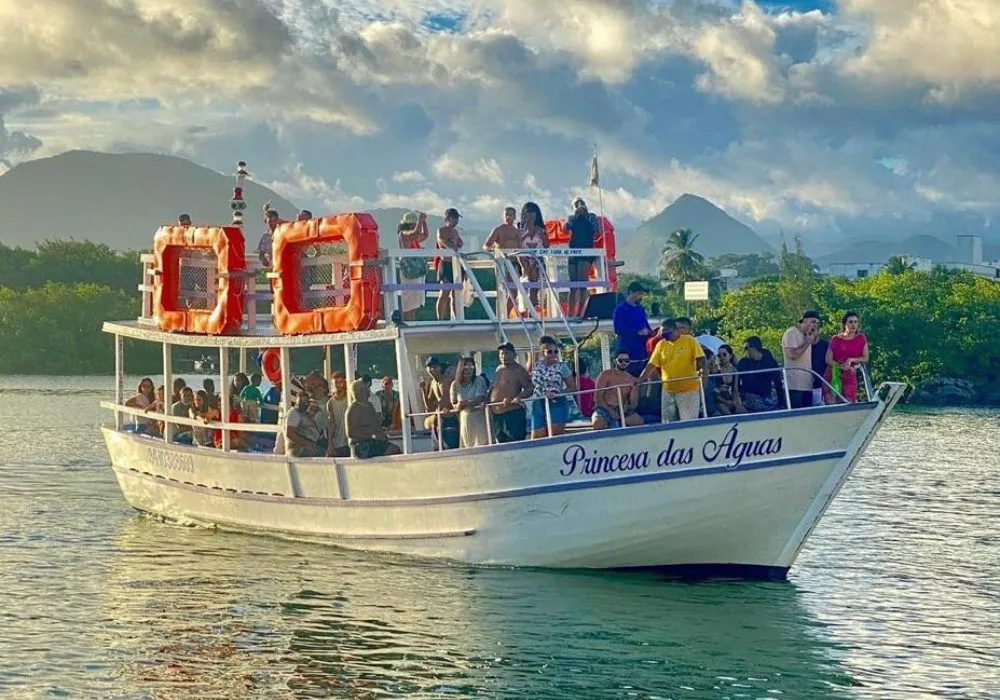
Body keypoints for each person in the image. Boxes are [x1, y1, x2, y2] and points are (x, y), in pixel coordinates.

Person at [639, 319, 706, 422]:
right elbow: (651, 364)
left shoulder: (689, 340)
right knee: (667, 423)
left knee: (688, 423)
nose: (665, 337)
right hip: (668, 390)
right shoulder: (661, 344)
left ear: (676, 330)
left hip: (688, 390)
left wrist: (703, 372)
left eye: (668, 333)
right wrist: (640, 380)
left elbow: (701, 359)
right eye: (663, 334)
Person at [529, 336, 576, 438]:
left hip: (556, 402)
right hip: (538, 401)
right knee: (537, 436)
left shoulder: (562, 367)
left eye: (556, 352)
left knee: (555, 435)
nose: (553, 354)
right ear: (543, 352)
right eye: (550, 352)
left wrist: (557, 393)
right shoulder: (536, 365)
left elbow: (572, 387)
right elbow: (528, 377)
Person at [562, 198, 600, 317]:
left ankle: (580, 313)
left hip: (586, 251)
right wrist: (574, 217)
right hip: (574, 251)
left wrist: (586, 215)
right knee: (573, 286)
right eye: (576, 205)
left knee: (582, 285)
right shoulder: (572, 218)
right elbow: (564, 229)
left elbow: (597, 231)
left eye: (582, 203)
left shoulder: (592, 217)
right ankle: (570, 314)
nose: (579, 206)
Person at [489, 342, 533, 443]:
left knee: (515, 442)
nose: (504, 356)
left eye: (507, 353)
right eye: (501, 353)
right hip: (497, 415)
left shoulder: (519, 370)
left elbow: (529, 388)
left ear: (514, 355)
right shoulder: (498, 369)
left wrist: (518, 397)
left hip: (513, 413)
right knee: (501, 443)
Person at [346, 380, 401, 458]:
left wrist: (382, 435)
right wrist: (372, 436)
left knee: (396, 449)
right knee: (393, 450)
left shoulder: (369, 405)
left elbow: (376, 425)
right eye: (366, 388)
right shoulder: (354, 409)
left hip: (373, 442)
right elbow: (351, 433)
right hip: (362, 445)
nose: (369, 390)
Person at [484, 207, 523, 317]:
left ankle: (505, 314)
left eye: (510, 215)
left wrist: (523, 266)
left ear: (515, 216)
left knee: (514, 291)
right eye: (506, 215)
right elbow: (486, 245)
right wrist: (493, 251)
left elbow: (520, 250)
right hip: (502, 262)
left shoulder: (517, 231)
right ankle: (501, 316)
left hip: (514, 263)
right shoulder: (498, 229)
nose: (508, 217)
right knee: (503, 290)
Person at [825, 311, 869, 403]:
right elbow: (828, 359)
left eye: (856, 322)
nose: (853, 325)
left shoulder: (861, 338)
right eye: (851, 322)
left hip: (850, 373)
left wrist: (851, 360)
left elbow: (865, 358)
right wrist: (841, 366)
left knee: (848, 401)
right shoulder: (836, 339)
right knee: (831, 402)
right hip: (834, 372)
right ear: (845, 323)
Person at [592, 350, 644, 430]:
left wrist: (625, 409)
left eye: (626, 361)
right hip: (604, 408)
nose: (624, 363)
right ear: (615, 361)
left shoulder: (632, 379)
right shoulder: (605, 375)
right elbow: (598, 399)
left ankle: (618, 426)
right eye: (620, 360)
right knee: (597, 423)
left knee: (639, 421)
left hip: (621, 410)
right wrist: (610, 411)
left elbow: (634, 404)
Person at [782, 310, 821, 409]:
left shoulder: (806, 335)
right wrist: (807, 342)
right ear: (805, 321)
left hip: (807, 384)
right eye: (813, 322)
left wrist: (814, 335)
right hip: (795, 385)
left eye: (817, 323)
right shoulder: (791, 333)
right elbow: (792, 355)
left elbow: (815, 342)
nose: (815, 325)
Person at [613, 281, 652, 376]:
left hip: (642, 353)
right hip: (628, 354)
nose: (641, 297)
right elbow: (618, 330)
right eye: (639, 294)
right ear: (631, 292)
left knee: (643, 382)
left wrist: (651, 332)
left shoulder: (640, 308)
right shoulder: (621, 309)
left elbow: (646, 326)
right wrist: (637, 332)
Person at [397, 211, 430, 321]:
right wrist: (420, 220)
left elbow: (425, 235)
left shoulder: (411, 235)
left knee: (415, 302)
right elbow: (415, 235)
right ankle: (407, 322)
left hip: (415, 271)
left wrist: (423, 222)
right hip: (409, 270)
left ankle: (412, 322)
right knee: (409, 302)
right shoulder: (403, 234)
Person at [450, 356, 490, 447]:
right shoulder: (454, 384)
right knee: (467, 446)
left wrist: (463, 404)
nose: (468, 370)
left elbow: (480, 398)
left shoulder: (479, 380)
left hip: (479, 419)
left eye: (471, 367)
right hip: (464, 420)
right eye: (466, 367)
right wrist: (458, 406)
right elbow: (454, 404)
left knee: (482, 445)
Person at [737, 336, 782, 412]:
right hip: (749, 399)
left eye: (746, 348)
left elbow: (777, 380)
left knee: (772, 405)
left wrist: (782, 400)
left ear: (753, 348)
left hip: (767, 397)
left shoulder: (769, 361)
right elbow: (737, 382)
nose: (745, 351)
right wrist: (744, 395)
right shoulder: (743, 363)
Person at [435, 208, 464, 321]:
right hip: (446, 263)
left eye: (457, 218)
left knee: (456, 293)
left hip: (455, 264)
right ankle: (440, 319)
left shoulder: (455, 231)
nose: (456, 221)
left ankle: (457, 319)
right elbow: (441, 240)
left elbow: (460, 242)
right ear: (448, 218)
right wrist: (452, 247)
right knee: (444, 292)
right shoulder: (441, 230)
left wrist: (458, 244)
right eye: (454, 218)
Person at [424, 357, 459, 449]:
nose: (432, 369)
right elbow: (429, 406)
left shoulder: (448, 381)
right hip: (438, 420)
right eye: (430, 367)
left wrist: (454, 410)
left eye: (435, 367)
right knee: (438, 448)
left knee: (451, 447)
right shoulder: (432, 383)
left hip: (450, 418)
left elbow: (457, 398)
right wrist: (423, 390)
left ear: (440, 367)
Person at [519, 202, 548, 311]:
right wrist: (526, 234)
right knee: (528, 283)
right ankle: (528, 309)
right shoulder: (520, 228)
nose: (531, 216)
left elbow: (546, 246)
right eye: (528, 213)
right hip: (524, 259)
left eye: (533, 213)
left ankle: (533, 310)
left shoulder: (541, 228)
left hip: (537, 259)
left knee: (535, 286)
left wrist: (541, 235)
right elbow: (517, 244)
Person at [284, 390, 324, 458]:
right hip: (298, 448)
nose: (303, 403)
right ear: (296, 401)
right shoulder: (294, 412)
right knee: (325, 453)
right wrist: (308, 444)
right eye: (301, 401)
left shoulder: (306, 414)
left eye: (305, 401)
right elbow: (290, 433)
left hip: (312, 444)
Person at [713, 344, 746, 416]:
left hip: (731, 398)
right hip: (719, 399)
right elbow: (714, 391)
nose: (722, 357)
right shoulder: (716, 370)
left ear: (730, 355)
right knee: (727, 413)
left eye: (724, 354)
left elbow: (735, 390)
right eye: (719, 355)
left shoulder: (735, 370)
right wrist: (726, 402)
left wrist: (736, 402)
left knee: (743, 412)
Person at [326, 372, 350, 458]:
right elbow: (331, 424)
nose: (338, 385)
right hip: (338, 443)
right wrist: (330, 444)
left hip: (351, 441)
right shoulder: (330, 403)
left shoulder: (350, 398)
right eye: (335, 382)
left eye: (340, 382)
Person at [258, 203, 282, 268]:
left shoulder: (282, 233)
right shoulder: (265, 236)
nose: (271, 220)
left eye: (273, 218)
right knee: (261, 276)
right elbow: (261, 255)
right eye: (269, 218)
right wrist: (264, 260)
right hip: (271, 266)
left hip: (282, 265)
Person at [811, 331, 830, 407]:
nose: (811, 332)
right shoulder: (803, 345)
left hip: (825, 384)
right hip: (808, 386)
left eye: (813, 330)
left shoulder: (826, 345)